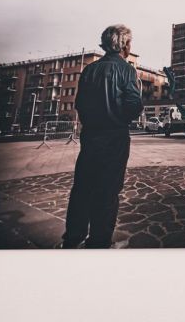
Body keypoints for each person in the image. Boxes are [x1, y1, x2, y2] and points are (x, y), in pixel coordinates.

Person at [61, 24, 143, 249]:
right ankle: (98, 241)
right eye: (129, 42)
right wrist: (119, 117)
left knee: (82, 188)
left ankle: (72, 238)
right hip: (115, 137)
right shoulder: (127, 70)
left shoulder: (89, 70)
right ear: (124, 44)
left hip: (90, 137)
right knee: (108, 191)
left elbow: (79, 103)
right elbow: (134, 104)